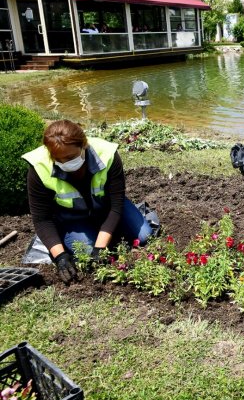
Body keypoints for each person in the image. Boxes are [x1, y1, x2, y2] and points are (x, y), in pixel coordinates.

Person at [23, 120, 153, 284]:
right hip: (71, 219)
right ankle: (72, 237)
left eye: (70, 157)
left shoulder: (107, 154)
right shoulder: (39, 167)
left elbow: (116, 206)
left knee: (144, 236)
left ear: (83, 145)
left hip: (106, 208)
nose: (65, 164)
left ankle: (104, 232)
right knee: (86, 251)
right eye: (58, 159)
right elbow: (42, 220)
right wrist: (60, 256)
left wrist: (101, 248)